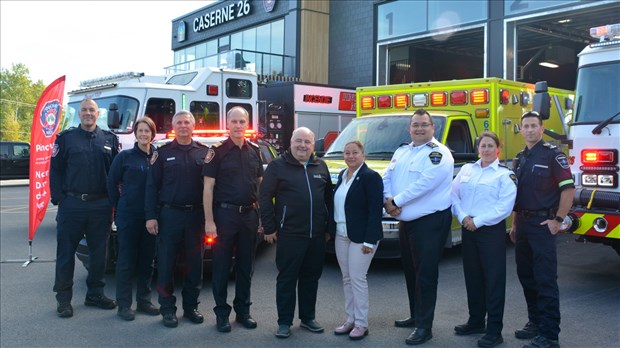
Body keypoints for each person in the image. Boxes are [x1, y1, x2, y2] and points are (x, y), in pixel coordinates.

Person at [383, 108, 454, 345]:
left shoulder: (439, 153)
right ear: (409, 128)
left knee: (425, 275)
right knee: (411, 271)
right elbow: (387, 177)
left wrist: (396, 202)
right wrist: (387, 201)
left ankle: (425, 327)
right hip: (406, 222)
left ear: (433, 128)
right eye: (415, 125)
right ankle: (416, 316)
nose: (419, 128)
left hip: (429, 223)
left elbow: (426, 184)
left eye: (424, 124)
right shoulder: (402, 151)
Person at [259, 127, 334, 339]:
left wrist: (328, 228)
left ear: (313, 145)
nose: (303, 145)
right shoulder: (277, 166)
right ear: (290, 142)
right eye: (298, 141)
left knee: (311, 278)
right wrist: (270, 227)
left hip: (317, 235)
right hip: (289, 234)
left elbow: (328, 199)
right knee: (287, 279)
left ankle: (308, 317)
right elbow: (264, 197)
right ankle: (284, 322)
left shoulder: (321, 166)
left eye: (307, 142)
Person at [50, 98, 120, 318]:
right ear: (78, 114)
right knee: (65, 255)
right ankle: (63, 300)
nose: (88, 113)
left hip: (100, 205)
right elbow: (56, 171)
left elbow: (116, 175)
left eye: (92, 110)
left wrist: (113, 202)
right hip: (72, 205)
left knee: (99, 254)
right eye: (84, 110)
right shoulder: (66, 139)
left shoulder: (109, 139)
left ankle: (95, 294)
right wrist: (60, 199)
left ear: (98, 113)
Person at [511, 111, 574, 348]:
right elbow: (519, 197)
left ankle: (549, 335)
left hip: (543, 225)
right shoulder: (519, 158)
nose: (529, 130)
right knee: (526, 276)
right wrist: (516, 224)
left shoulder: (553, 156)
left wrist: (558, 220)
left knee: (545, 279)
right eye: (525, 125)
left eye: (533, 126)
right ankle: (535, 323)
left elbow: (568, 190)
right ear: (520, 128)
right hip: (524, 225)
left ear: (541, 128)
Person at [451, 131, 517, 348]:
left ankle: (494, 330)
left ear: (497, 148)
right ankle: (476, 320)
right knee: (473, 277)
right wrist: (463, 217)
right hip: (468, 229)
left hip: (490, 232)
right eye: (482, 145)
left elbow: (504, 208)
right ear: (477, 148)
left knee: (494, 281)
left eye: (490, 146)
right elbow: (453, 195)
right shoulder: (467, 169)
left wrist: (477, 221)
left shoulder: (504, 175)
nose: (486, 149)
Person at [145, 110, 209, 328]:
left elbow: (213, 187)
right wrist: (151, 216)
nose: (183, 126)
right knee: (165, 264)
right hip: (169, 215)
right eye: (179, 122)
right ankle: (167, 309)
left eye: (187, 122)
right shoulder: (162, 154)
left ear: (193, 126)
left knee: (194, 265)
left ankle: (191, 307)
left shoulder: (205, 153)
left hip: (195, 216)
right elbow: (152, 187)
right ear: (174, 126)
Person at [202, 106, 263, 332]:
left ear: (248, 124)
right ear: (228, 123)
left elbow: (260, 184)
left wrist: (262, 216)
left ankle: (243, 312)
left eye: (242, 121)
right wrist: (209, 221)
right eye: (234, 122)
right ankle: (221, 314)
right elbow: (207, 188)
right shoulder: (216, 151)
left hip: (249, 215)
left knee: (246, 267)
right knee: (221, 266)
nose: (238, 126)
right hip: (224, 216)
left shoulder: (254, 150)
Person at [107, 116, 160, 321]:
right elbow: (111, 183)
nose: (144, 134)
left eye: (147, 131)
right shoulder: (125, 157)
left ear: (152, 134)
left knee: (147, 261)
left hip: (151, 218)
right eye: (140, 131)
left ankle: (144, 301)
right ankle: (124, 304)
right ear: (136, 134)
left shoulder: (158, 157)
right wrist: (119, 207)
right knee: (126, 261)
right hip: (129, 216)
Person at [330, 140, 383, 341]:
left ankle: (361, 323)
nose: (351, 156)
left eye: (355, 153)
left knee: (357, 279)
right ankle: (350, 319)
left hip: (362, 238)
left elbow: (374, 210)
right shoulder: (344, 176)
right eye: (347, 153)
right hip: (342, 235)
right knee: (346, 278)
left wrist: (370, 241)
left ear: (363, 154)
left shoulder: (370, 177)